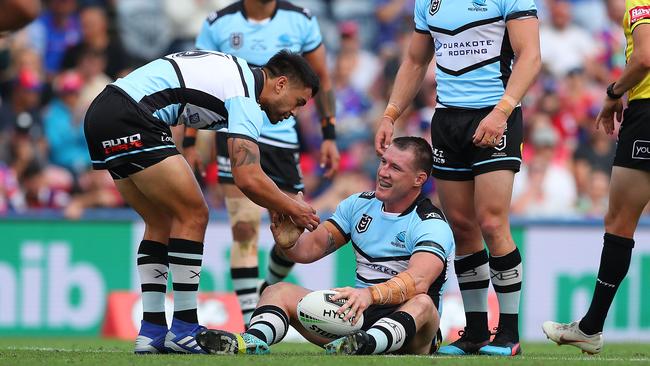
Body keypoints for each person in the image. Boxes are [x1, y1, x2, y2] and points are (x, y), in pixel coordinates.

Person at [83, 49, 321, 354]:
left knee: (161, 221)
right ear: (280, 84)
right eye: (299, 102)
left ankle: (152, 331)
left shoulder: (235, 74)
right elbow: (247, 175)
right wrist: (294, 208)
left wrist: (277, 203)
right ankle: (183, 328)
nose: (295, 112)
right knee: (194, 214)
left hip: (103, 111)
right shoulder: (246, 93)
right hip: (134, 115)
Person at [374, 0, 541, 356]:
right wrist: (391, 113)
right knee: (463, 228)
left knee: (492, 223)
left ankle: (509, 335)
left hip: (496, 114)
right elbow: (416, 61)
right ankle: (476, 332)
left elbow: (530, 56)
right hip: (448, 120)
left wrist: (501, 112)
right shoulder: (427, 3)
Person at [195, 137, 455, 356]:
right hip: (358, 317)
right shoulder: (358, 205)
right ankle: (250, 342)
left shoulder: (430, 223)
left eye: (395, 168)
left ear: (419, 179)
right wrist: (289, 244)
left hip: (414, 333)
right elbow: (310, 250)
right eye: (383, 162)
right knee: (277, 291)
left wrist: (369, 295)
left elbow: (418, 281)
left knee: (422, 302)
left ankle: (367, 345)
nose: (383, 172)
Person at [192, 0, 340, 327]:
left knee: (291, 236)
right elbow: (199, 82)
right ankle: (251, 321)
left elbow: (323, 80)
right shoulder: (218, 22)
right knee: (244, 229)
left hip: (283, 140)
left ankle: (265, 290)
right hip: (235, 134)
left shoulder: (300, 19)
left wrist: (329, 134)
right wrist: (191, 139)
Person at [543, 0, 650, 354]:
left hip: (647, 114)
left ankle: (590, 328)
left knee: (619, 223)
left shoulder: (640, 4)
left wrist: (612, 94)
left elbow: (645, 58)